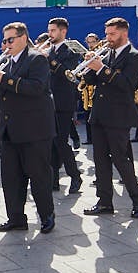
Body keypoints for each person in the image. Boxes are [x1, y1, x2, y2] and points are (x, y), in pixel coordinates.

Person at [0, 22, 55, 232]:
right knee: (11, 179)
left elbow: (36, 88)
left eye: (10, 39)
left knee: (39, 176)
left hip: (34, 130)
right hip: (10, 129)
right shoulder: (6, 62)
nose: (6, 44)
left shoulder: (37, 59)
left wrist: (4, 78)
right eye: (4, 40)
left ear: (23, 38)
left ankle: (46, 216)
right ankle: (16, 218)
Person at [81, 18, 138, 217]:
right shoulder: (106, 53)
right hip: (100, 114)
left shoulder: (135, 56)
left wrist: (101, 68)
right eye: (107, 34)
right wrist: (88, 66)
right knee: (99, 160)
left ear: (124, 34)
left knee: (120, 159)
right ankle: (104, 202)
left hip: (119, 116)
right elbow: (92, 80)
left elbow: (127, 84)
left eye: (112, 34)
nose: (107, 38)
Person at [45, 18, 83, 195]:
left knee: (60, 141)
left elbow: (68, 74)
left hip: (64, 101)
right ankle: (53, 180)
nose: (50, 34)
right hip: (48, 101)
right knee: (51, 142)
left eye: (53, 31)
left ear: (63, 32)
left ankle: (75, 176)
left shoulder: (72, 50)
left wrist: (49, 59)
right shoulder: (48, 50)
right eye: (49, 30)